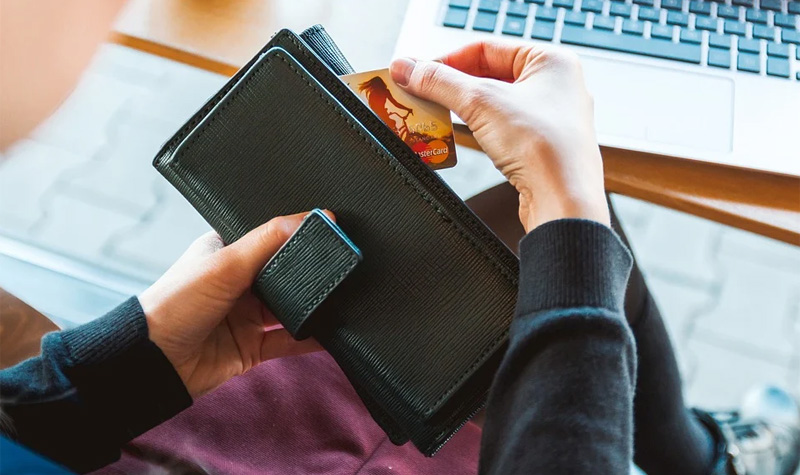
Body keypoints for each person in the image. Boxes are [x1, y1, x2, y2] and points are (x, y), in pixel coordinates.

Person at [0, 4, 798, 473]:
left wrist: (119, 366)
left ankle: (703, 456)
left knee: (538, 254)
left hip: (133, 413)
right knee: (566, 251)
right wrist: (567, 202)